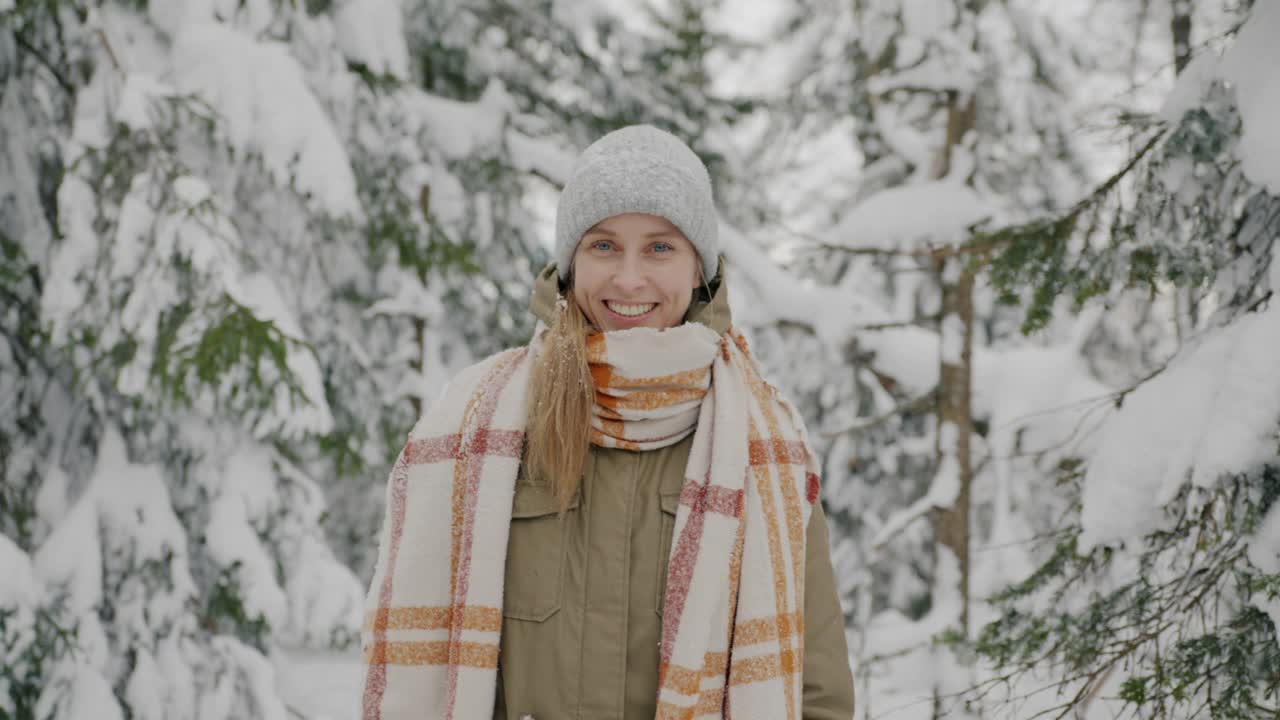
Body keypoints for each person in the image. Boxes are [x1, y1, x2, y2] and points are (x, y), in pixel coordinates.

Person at [359, 125, 854, 720]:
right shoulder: (470, 427)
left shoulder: (765, 446)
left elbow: (815, 691)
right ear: (569, 263)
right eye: (603, 246)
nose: (628, 278)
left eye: (660, 247)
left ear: (700, 268)